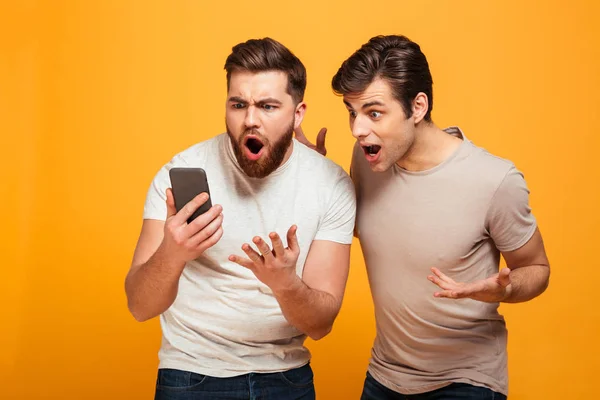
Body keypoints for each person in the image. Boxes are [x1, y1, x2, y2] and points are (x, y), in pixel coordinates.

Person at [296, 34, 550, 399]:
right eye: (352, 113)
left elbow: (537, 270)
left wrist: (505, 288)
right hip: (385, 376)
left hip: (466, 380)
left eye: (374, 112)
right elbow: (358, 225)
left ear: (417, 107)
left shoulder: (494, 180)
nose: (357, 129)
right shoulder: (368, 160)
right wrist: (316, 174)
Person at [125, 37, 356, 400]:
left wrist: (284, 283)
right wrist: (172, 253)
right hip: (190, 375)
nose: (250, 120)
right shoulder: (181, 171)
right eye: (238, 104)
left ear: (297, 114)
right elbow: (139, 307)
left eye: (267, 106)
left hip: (286, 380)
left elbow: (321, 325)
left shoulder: (331, 185)